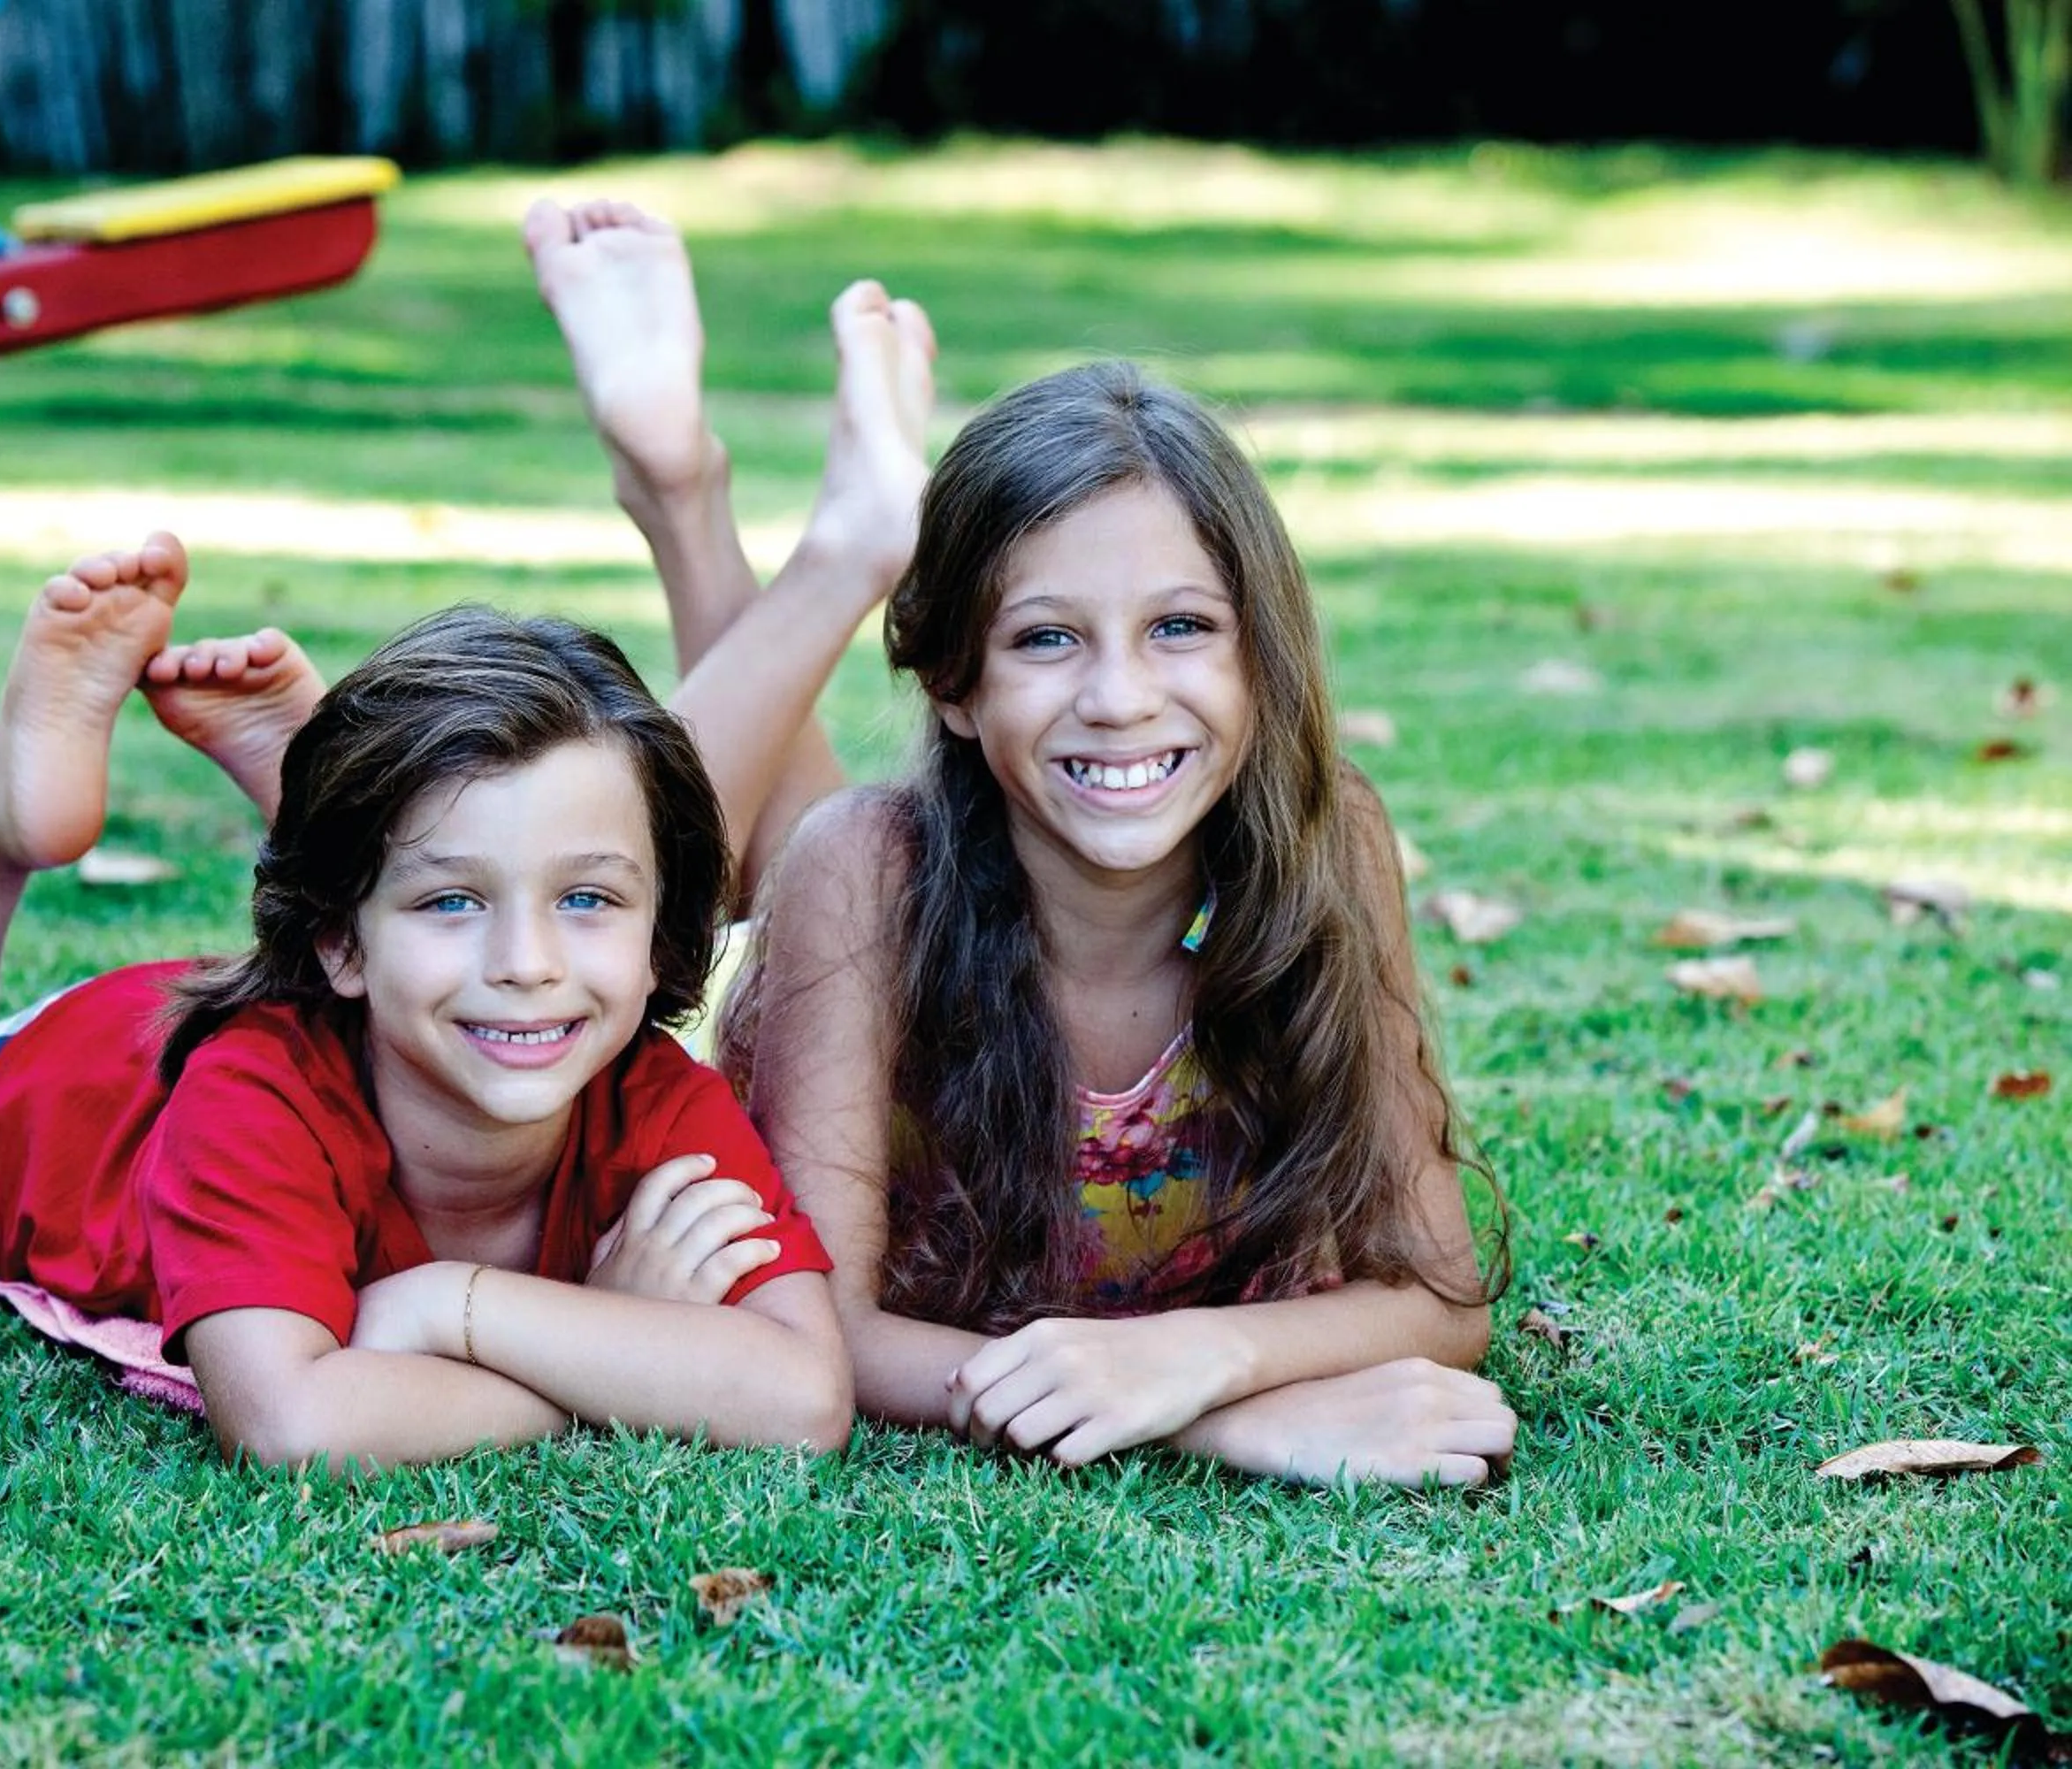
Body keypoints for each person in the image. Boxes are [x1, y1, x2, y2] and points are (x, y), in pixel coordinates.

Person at [526, 202, 1516, 1489]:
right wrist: (1203, 1415)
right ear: (953, 680)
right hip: (815, 967)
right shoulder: (867, 878)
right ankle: (710, 501)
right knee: (723, 857)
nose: (1120, 698)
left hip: (904, 883)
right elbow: (816, 1332)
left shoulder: (1328, 840)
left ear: (1261, 655)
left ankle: (717, 499)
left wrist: (1193, 1354)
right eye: (1046, 637)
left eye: (1181, 628)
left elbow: (1437, 1291)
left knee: (833, 838)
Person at [0, 534, 852, 1473]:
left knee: (420, 904)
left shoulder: (655, 1099)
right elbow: (293, 1425)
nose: (529, 963)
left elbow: (803, 1400)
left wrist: (452, 1306)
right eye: (455, 902)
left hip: (315, 1010)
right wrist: (603, 1341)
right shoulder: (254, 1099)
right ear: (339, 949)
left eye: (588, 898)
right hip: (47, 1105)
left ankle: (353, 827)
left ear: (661, 937)